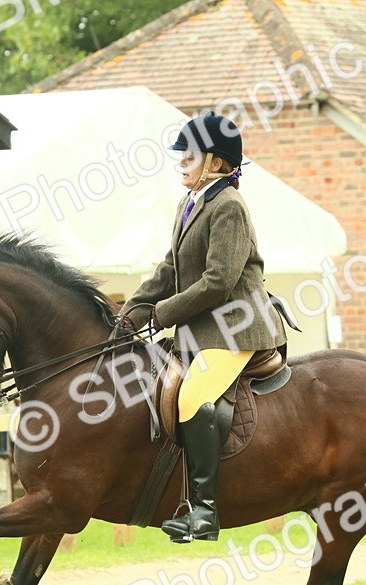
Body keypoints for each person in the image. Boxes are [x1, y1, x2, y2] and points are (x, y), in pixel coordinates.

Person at [120, 112, 287, 544]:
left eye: (190, 155)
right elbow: (169, 269)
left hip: (237, 328)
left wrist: (161, 314)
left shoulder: (228, 206)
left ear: (216, 163)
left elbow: (218, 282)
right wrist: (132, 311)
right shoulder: (190, 203)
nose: (182, 161)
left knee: (193, 396)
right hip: (202, 330)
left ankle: (206, 512)